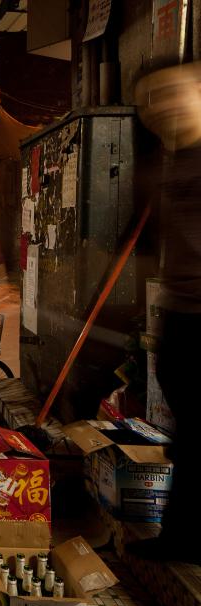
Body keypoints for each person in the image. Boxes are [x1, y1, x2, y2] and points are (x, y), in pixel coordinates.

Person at [127, 61, 201, 564]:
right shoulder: (162, 166)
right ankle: (182, 541)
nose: (162, 108)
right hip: (183, 318)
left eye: (172, 92)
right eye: (150, 101)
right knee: (191, 437)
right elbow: (147, 247)